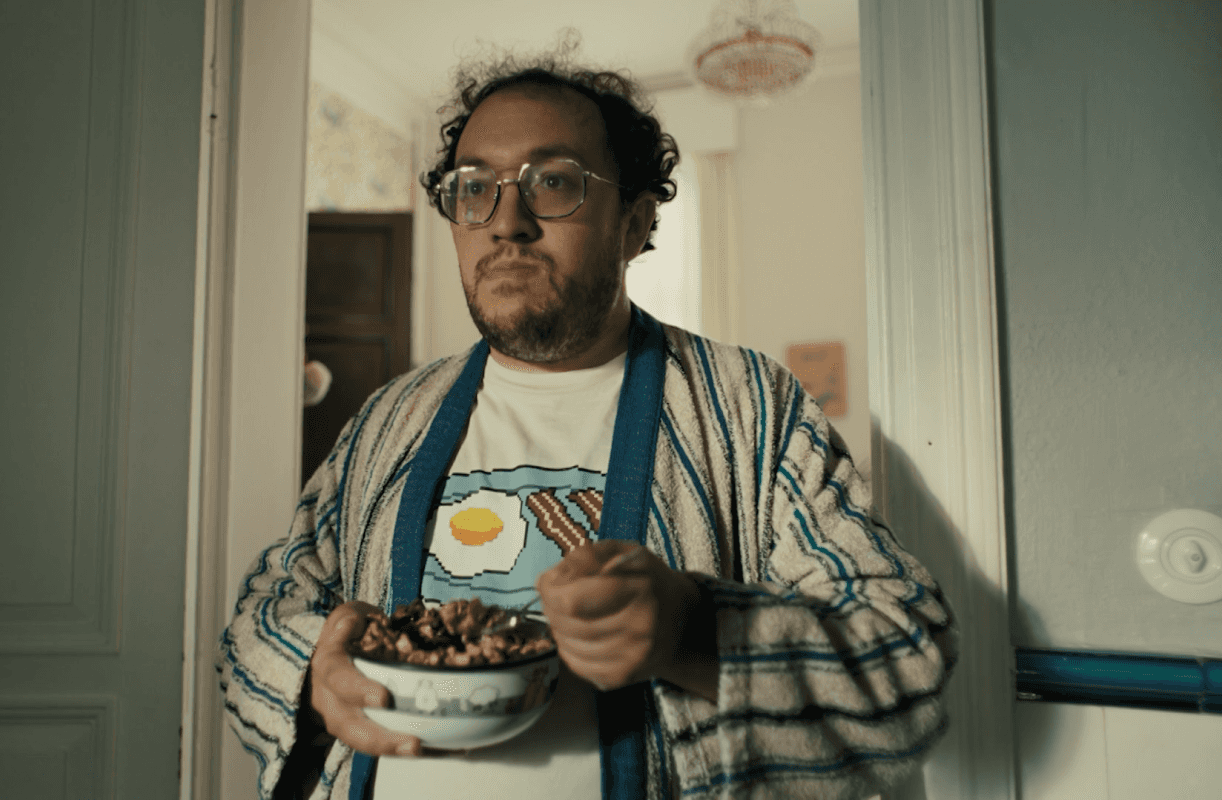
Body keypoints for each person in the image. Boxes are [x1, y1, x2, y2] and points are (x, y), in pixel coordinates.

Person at [220, 48, 956, 800]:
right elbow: (258, 620)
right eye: (474, 188)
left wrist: (697, 632)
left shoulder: (750, 408)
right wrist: (315, 673)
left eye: (553, 183)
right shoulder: (388, 421)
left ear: (634, 223)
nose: (506, 223)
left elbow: (906, 656)